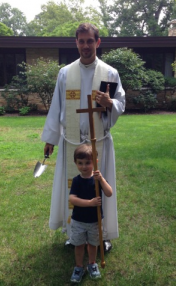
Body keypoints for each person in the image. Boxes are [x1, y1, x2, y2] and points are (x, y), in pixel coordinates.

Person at [41, 23, 125, 249]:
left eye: (90, 41)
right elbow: (56, 106)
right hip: (72, 143)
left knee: (98, 188)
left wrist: (110, 103)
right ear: (76, 43)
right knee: (74, 187)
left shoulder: (109, 73)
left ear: (98, 42)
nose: (86, 46)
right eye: (81, 41)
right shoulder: (66, 73)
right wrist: (51, 139)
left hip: (99, 144)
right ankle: (73, 233)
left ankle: (102, 235)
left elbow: (120, 103)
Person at [69, 144, 112, 282]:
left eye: (88, 163)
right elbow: (72, 199)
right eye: (80, 163)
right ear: (75, 163)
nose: (84, 166)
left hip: (95, 220)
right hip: (79, 221)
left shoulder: (98, 180)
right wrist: (90, 203)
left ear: (95, 162)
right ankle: (79, 267)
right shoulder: (76, 181)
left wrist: (102, 179)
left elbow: (109, 193)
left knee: (93, 244)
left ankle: (92, 264)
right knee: (79, 245)